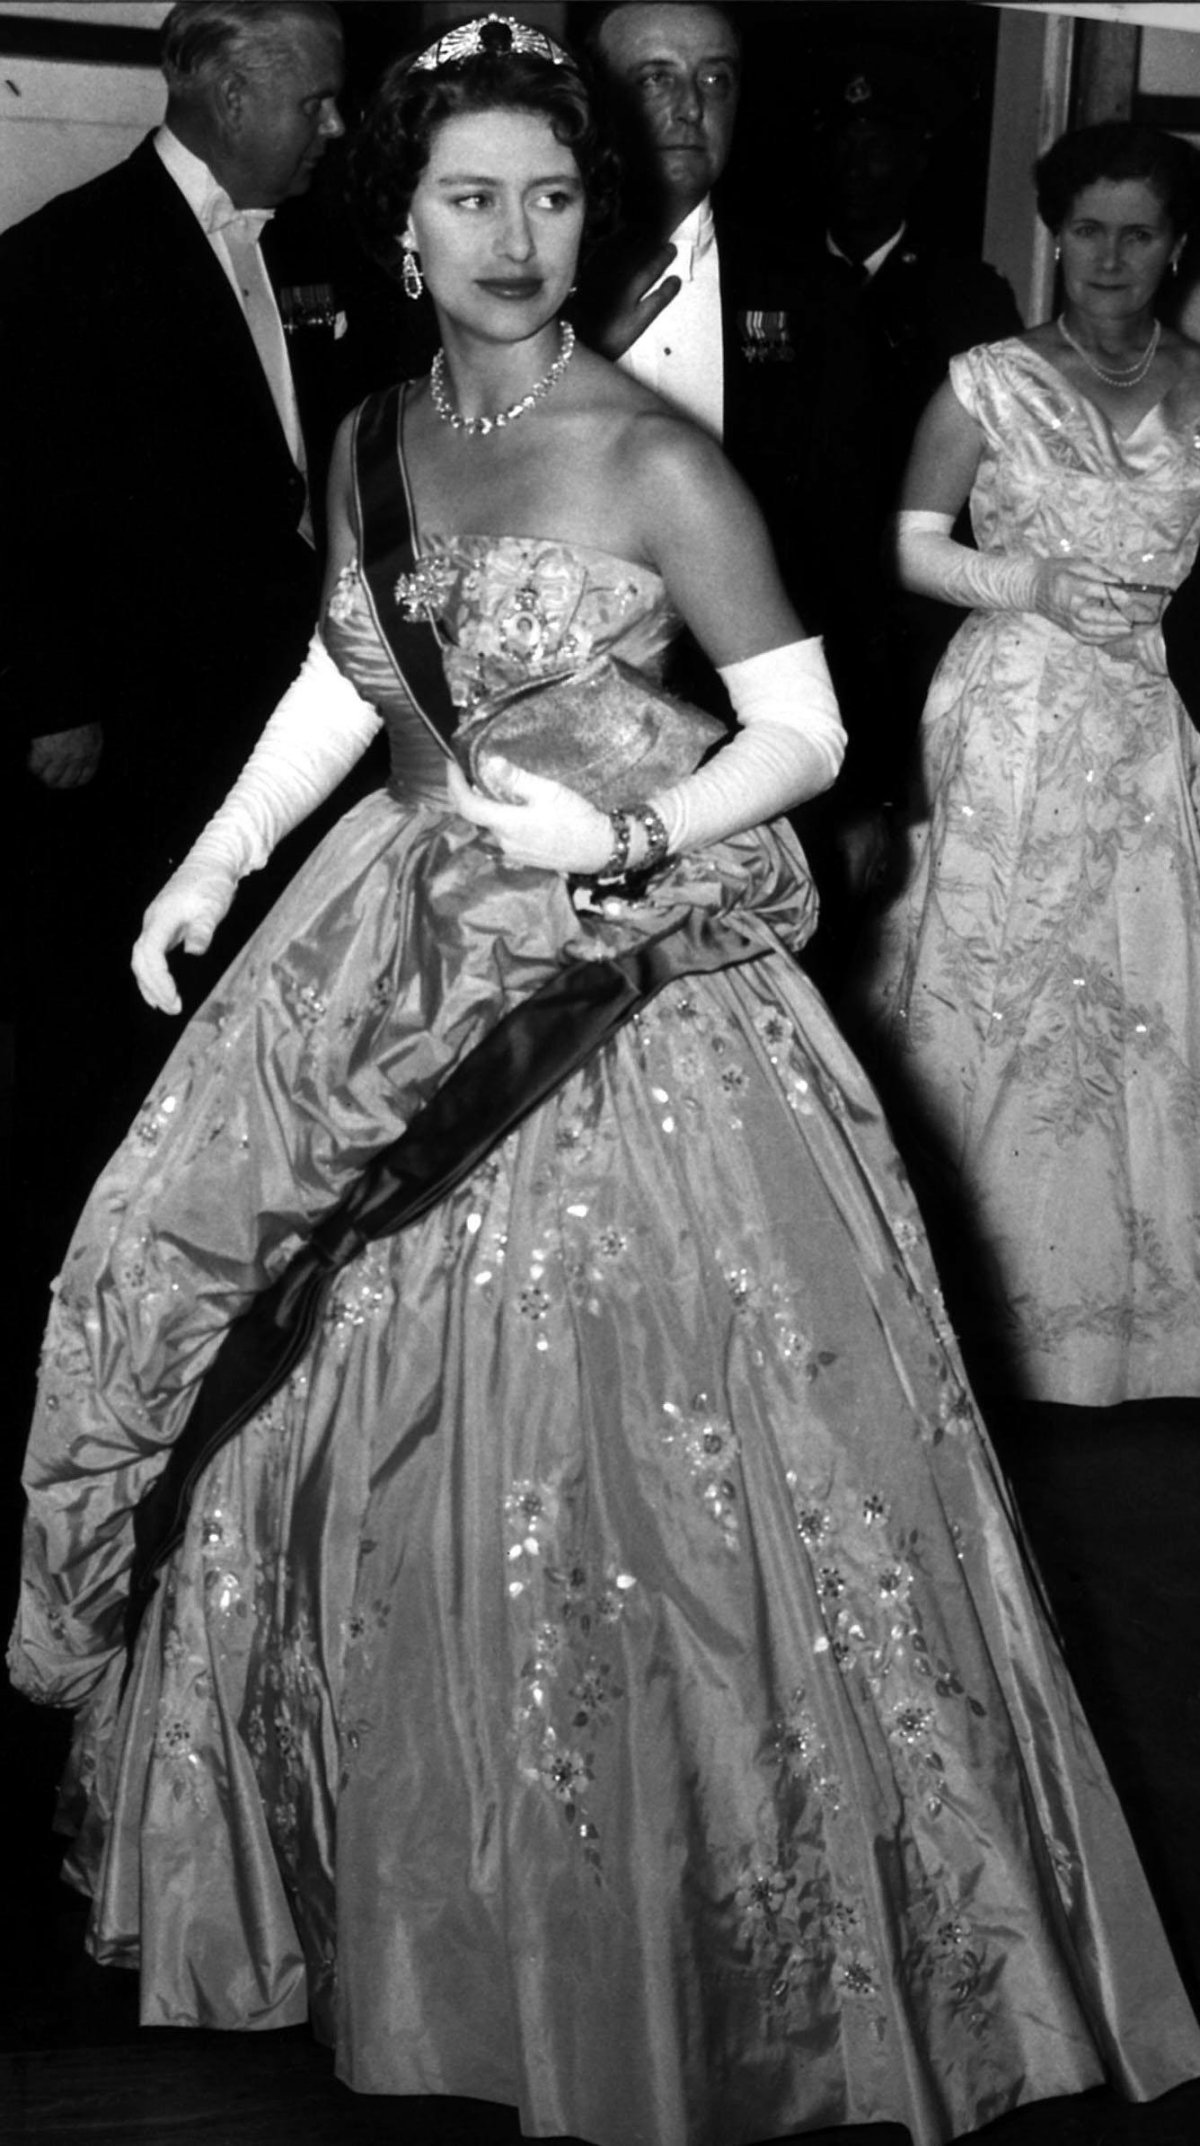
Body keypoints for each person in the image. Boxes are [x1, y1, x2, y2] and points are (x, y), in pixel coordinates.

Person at [9, 33, 1200, 2146]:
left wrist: (626, 838)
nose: (513, 237)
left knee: (646, 1453)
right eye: (470, 197)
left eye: (551, 199)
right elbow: (343, 673)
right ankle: (392, 1895)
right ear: (403, 221)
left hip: (621, 981)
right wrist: (212, 858)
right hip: (393, 942)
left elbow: (808, 733)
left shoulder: (655, 457)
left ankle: (657, 1944)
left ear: (593, 219)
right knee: (310, 1393)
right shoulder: (377, 431)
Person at [2, 0, 362, 1317]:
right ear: (228, 89)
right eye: (314, 99)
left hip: (273, 713)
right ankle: (72, 1309)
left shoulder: (319, 250)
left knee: (247, 1023)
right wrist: (51, 693)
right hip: (122, 735)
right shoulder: (61, 258)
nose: (335, 126)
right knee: (107, 1033)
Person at [846, 120, 1200, 1408]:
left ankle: (1123, 1332)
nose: (1111, 257)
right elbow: (902, 545)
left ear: (1176, 247)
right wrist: (1027, 582)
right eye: (1088, 229)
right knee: (1003, 986)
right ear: (1055, 234)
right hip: (1011, 707)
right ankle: (960, 1313)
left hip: (1144, 718)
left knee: (1133, 1001)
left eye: (1139, 234)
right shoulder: (986, 381)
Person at [581, 2, 889, 988]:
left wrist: (864, 795)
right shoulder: (531, 282)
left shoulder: (811, 293)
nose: (689, 106)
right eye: (654, 78)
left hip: (755, 763)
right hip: (564, 765)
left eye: (715, 79)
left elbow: (849, 555)